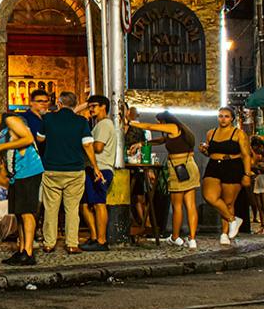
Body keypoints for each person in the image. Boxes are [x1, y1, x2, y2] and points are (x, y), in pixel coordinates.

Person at [0, 102, 44, 265]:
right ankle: (21, 250)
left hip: (29, 169)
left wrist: (0, 146)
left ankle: (28, 252)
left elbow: (28, 138)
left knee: (27, 212)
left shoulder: (10, 119)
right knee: (19, 212)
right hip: (16, 173)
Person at [37, 91, 104, 254]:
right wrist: (95, 167)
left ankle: (49, 243)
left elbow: (40, 139)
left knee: (51, 208)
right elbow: (88, 145)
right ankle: (72, 243)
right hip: (75, 170)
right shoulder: (81, 122)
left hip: (52, 169)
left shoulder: (48, 119)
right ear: (75, 105)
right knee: (72, 209)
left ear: (59, 104)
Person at [129, 111, 199, 248]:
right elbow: (160, 140)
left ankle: (175, 237)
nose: (158, 125)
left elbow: (150, 127)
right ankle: (192, 239)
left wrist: (131, 123)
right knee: (190, 205)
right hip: (189, 166)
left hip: (178, 168)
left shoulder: (173, 127)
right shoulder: (179, 132)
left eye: (159, 122)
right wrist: (143, 144)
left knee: (177, 205)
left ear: (164, 121)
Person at [198, 107, 251, 245]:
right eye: (220, 116)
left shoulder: (238, 133)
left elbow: (246, 155)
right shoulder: (211, 133)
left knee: (228, 202)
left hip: (233, 166)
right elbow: (210, 152)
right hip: (214, 165)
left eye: (226, 116)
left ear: (232, 118)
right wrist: (204, 150)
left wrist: (247, 174)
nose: (223, 119)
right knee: (209, 196)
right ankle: (233, 219)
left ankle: (224, 233)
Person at [79, 95, 116, 252]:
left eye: (94, 105)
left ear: (103, 107)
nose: (91, 109)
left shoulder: (105, 124)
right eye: (90, 106)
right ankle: (95, 237)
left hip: (101, 169)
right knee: (86, 205)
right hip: (94, 168)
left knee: (99, 203)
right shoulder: (99, 125)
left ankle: (101, 240)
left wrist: (84, 145)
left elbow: (98, 147)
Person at [21, 89, 49, 156]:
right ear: (31, 102)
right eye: (39, 101)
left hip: (46, 158)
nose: (43, 104)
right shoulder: (24, 118)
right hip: (31, 158)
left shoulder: (47, 118)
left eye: (46, 101)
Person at [251, 136, 264, 234]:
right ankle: (262, 226)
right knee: (259, 205)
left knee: (262, 204)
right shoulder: (256, 154)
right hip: (258, 179)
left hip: (262, 178)